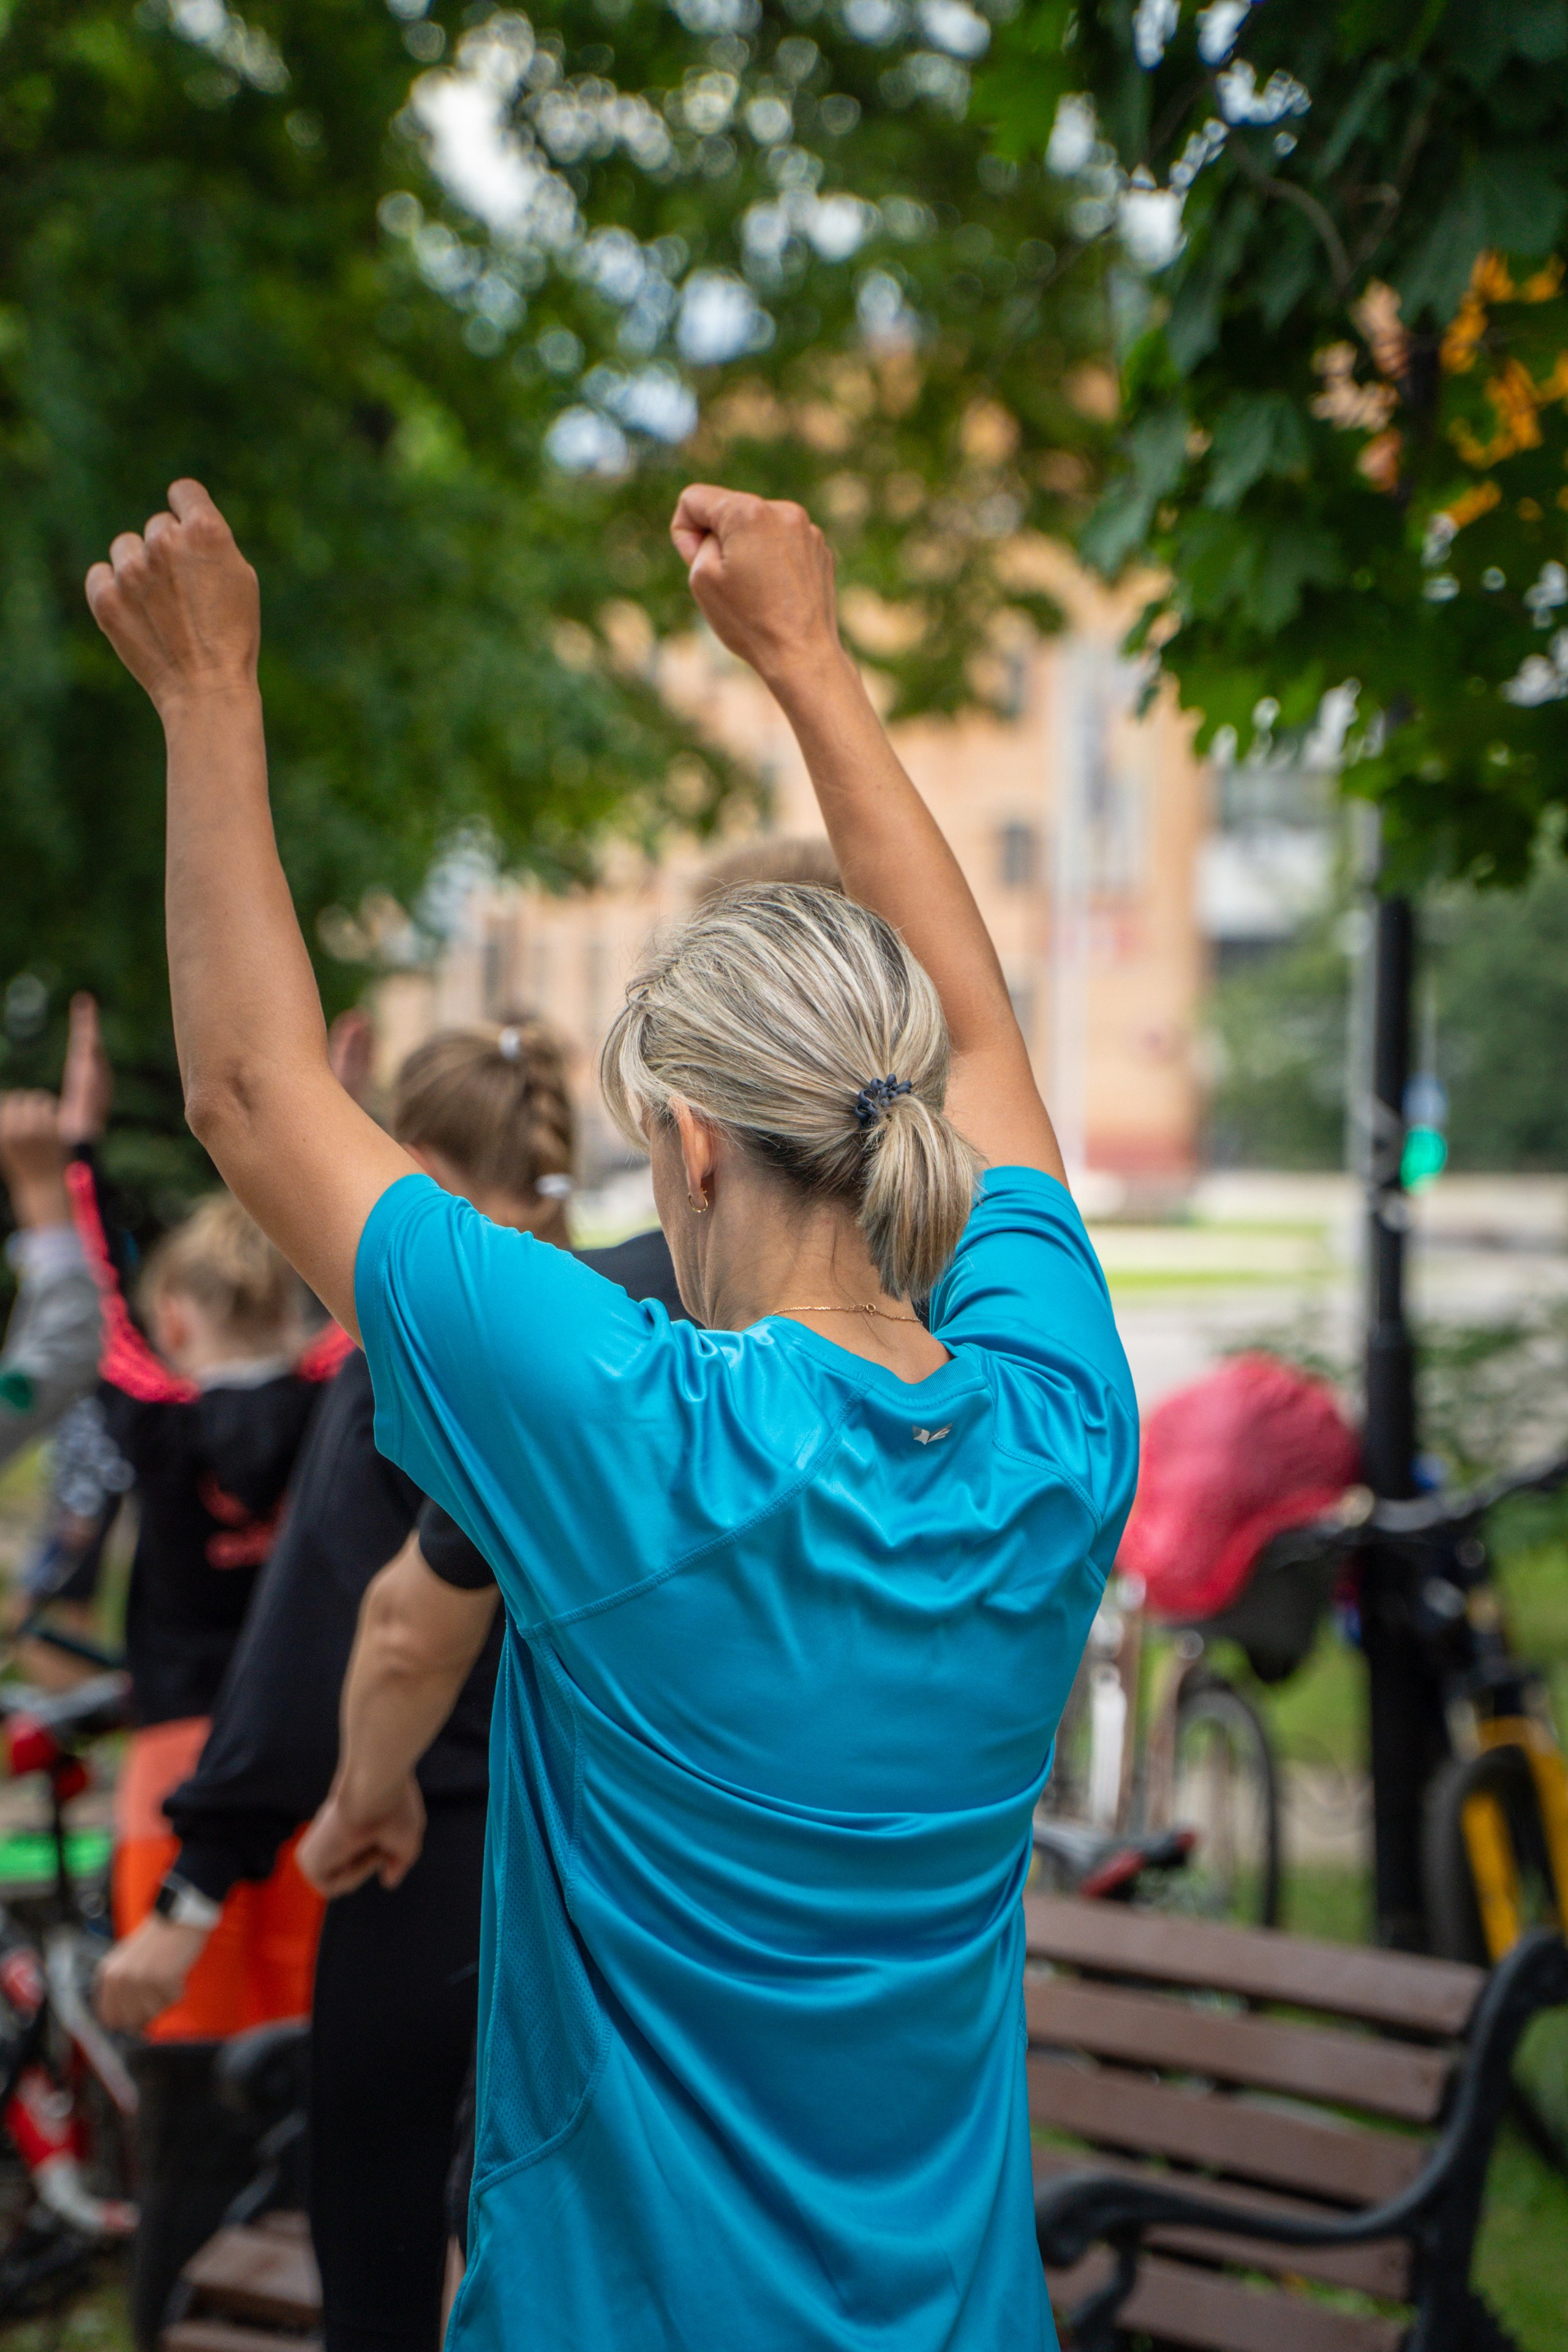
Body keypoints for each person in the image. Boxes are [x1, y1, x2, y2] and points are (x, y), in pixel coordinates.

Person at [86, 478, 1138, 2352]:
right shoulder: (1061, 1432)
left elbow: (252, 1093)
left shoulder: (631, 1433)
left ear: (697, 1151)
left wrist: (209, 693)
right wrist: (808, 659)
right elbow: (987, 1045)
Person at [96, 1018, 689, 2352]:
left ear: (406, 1164)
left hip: (430, 1853)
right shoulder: (650, 1326)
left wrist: (206, 1876)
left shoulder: (419, 1363)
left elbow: (338, 1646)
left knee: (376, 2254)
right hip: (633, 1864)